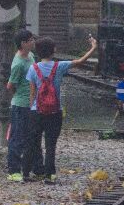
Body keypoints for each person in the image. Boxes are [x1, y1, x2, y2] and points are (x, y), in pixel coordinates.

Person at [22, 35, 97, 183]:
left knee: (32, 142)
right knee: (51, 144)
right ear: (53, 51)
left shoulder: (33, 68)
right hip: (55, 111)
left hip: (36, 111)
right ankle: (50, 176)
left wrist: (32, 108)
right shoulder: (60, 66)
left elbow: (32, 93)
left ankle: (26, 173)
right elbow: (81, 61)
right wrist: (93, 47)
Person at [5, 29, 42, 181]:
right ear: (23, 43)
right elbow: (10, 85)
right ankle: (13, 170)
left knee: (33, 137)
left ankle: (38, 168)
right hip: (20, 105)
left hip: (32, 103)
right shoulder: (18, 64)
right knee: (18, 137)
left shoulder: (31, 56)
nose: (33, 42)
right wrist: (20, 95)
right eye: (31, 40)